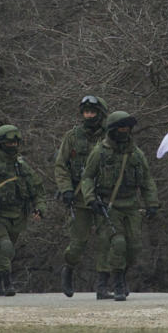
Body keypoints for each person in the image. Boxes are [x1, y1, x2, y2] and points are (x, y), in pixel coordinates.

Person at [80, 111, 159, 301]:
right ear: (113, 130)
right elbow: (87, 177)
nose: (124, 131)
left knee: (134, 246)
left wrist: (152, 203)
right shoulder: (100, 152)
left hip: (131, 205)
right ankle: (116, 284)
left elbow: (147, 180)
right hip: (109, 205)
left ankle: (118, 278)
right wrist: (91, 199)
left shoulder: (136, 154)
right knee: (117, 243)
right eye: (121, 128)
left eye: (127, 128)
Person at [0, 124, 45, 296]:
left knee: (8, 251)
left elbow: (37, 189)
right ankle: (7, 283)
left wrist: (40, 207)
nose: (13, 145)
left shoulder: (21, 166)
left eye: (15, 143)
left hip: (18, 216)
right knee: (5, 247)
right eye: (9, 142)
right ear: (0, 143)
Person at [54, 95, 109, 297]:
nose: (89, 115)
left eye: (93, 112)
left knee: (107, 240)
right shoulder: (72, 137)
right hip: (79, 197)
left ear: (100, 114)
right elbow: (61, 166)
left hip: (104, 196)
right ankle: (68, 270)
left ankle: (103, 284)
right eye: (86, 112)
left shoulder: (110, 137)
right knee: (78, 242)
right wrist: (66, 189)